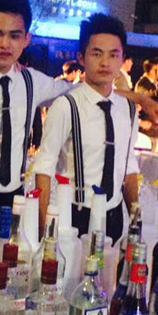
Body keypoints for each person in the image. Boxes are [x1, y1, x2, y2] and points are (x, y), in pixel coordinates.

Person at [0, 0, 158, 247]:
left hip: (14, 201)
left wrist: (141, 98)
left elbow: (88, 91)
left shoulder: (31, 81)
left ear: (26, 39)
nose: (5, 44)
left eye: (14, 36)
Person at [34, 14, 139, 242]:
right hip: (76, 215)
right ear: (81, 58)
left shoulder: (129, 110)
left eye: (113, 55)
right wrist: (43, 231)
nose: (105, 63)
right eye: (97, 54)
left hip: (114, 216)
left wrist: (135, 219)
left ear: (122, 59)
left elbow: (129, 165)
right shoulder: (66, 106)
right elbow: (44, 168)